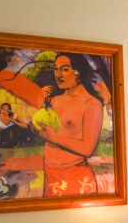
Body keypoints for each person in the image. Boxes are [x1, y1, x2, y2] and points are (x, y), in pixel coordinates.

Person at [33, 53, 104, 197]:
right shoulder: (54, 101)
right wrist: (40, 104)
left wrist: (54, 138)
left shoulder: (91, 104)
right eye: (56, 69)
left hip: (76, 177)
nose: (58, 75)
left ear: (78, 72)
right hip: (50, 176)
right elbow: (44, 129)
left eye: (64, 69)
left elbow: (88, 149)